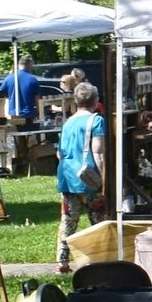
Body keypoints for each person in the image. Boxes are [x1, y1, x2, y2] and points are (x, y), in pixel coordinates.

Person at [54, 84, 108, 268]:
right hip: (89, 178)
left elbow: (59, 153)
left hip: (67, 177)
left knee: (68, 220)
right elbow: (98, 152)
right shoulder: (97, 121)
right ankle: (100, 258)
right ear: (96, 100)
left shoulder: (68, 122)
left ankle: (62, 260)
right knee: (98, 219)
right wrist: (104, 181)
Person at [0, 55, 43, 123]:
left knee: (14, 133)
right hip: (28, 115)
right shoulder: (32, 79)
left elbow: (1, 97)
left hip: (12, 115)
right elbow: (37, 99)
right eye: (32, 65)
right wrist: (40, 114)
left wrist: (3, 114)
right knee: (29, 133)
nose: (32, 67)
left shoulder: (8, 78)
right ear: (28, 64)